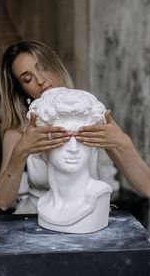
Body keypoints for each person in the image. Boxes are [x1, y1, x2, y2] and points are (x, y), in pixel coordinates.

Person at [0, 40, 150, 213]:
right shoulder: (18, 132)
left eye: (43, 67)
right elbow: (3, 202)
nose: (40, 80)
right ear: (21, 89)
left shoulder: (91, 115)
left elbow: (145, 187)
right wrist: (21, 150)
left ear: (56, 66)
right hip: (38, 220)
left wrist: (122, 142)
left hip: (88, 219)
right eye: (28, 79)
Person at [28, 87, 113, 233]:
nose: (73, 148)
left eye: (81, 138)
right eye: (63, 137)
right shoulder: (44, 204)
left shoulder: (98, 196)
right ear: (43, 145)